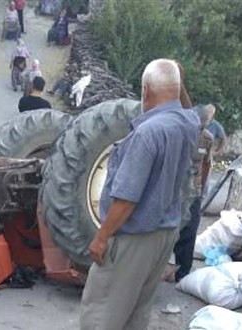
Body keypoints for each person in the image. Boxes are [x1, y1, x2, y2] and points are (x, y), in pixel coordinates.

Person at [80, 59, 200, 330]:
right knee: (136, 312)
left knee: (102, 312)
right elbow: (188, 108)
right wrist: (176, 80)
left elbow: (127, 198)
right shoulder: (187, 124)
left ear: (145, 90)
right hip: (164, 236)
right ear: (177, 89)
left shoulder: (147, 134)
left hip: (134, 238)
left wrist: (101, 237)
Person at [171, 105, 214, 282]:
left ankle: (182, 273)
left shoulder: (207, 138)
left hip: (192, 191)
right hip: (174, 187)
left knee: (189, 229)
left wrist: (201, 190)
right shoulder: (178, 132)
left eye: (205, 123)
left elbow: (205, 164)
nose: (202, 125)